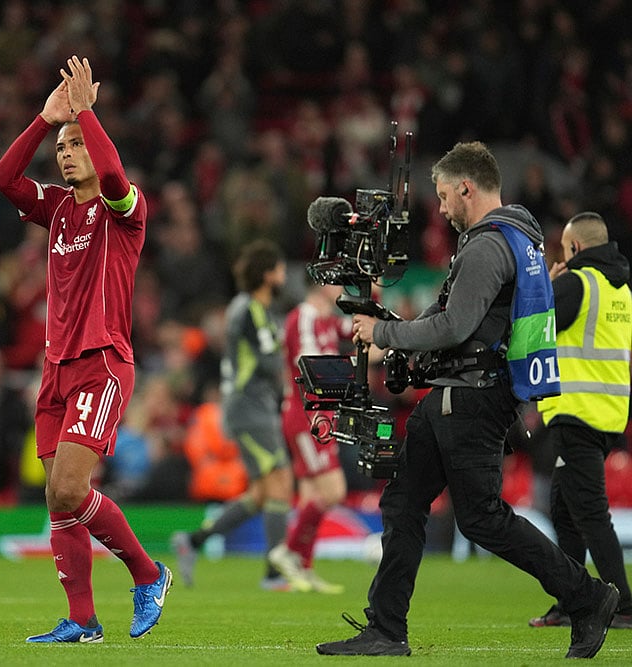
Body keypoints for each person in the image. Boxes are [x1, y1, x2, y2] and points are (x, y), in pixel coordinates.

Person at [316, 141, 618, 658]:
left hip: (473, 397)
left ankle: (587, 598)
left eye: (443, 196)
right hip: (459, 394)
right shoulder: (515, 236)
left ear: (466, 187)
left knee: (482, 518)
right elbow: (453, 320)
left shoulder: (484, 246)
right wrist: (398, 331)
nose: (441, 209)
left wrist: (384, 335)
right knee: (404, 501)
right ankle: (387, 628)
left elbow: (456, 325)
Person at [0, 55, 171, 644]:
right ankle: (83, 621)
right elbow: (4, 180)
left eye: (75, 144)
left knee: (69, 489)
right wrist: (45, 121)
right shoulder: (58, 208)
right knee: (58, 500)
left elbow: (116, 175)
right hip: (56, 367)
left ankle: (148, 574)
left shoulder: (126, 213)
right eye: (61, 147)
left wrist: (87, 111)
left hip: (103, 361)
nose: (66, 153)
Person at [528, 212, 632, 629]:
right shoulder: (621, 290)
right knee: (564, 507)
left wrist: (548, 283)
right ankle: (571, 600)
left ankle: (622, 605)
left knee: (588, 512)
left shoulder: (577, 283)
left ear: (574, 249)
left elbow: (537, 324)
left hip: (577, 411)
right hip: (607, 413)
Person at [171, 239, 293, 591]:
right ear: (268, 274)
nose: (284, 275)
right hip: (250, 408)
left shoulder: (251, 308)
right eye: (280, 269)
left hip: (253, 407)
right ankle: (273, 573)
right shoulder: (251, 308)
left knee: (259, 493)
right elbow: (271, 361)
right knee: (280, 482)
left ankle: (193, 541)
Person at [267, 281, 350, 594]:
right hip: (307, 414)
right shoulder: (304, 316)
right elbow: (309, 365)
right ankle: (286, 551)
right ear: (323, 284)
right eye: (339, 281)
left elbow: (364, 338)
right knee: (333, 490)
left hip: (321, 413)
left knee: (312, 494)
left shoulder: (327, 319)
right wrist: (350, 374)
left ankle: (303, 566)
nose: (345, 288)